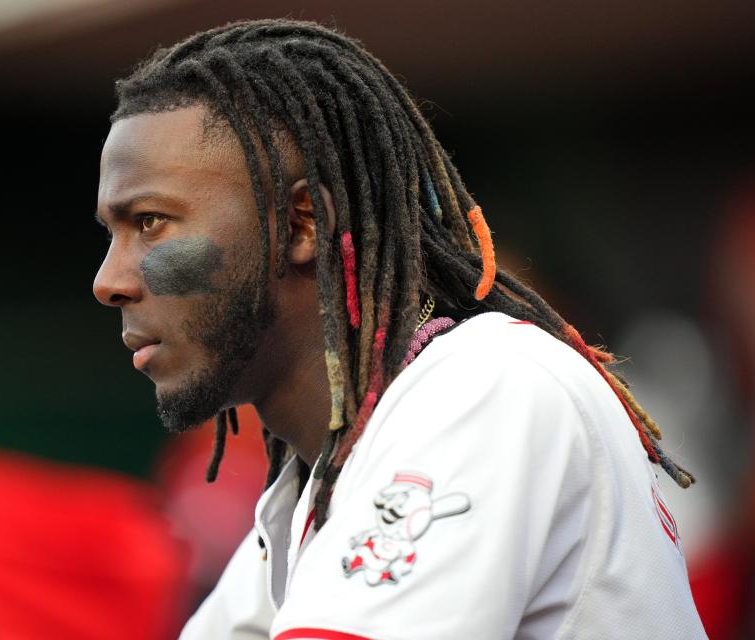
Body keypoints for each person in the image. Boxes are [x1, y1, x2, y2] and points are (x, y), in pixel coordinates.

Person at [93, 19, 707, 639]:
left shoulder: (487, 386)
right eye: (110, 233)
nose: (107, 280)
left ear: (303, 224)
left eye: (149, 222)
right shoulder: (316, 481)